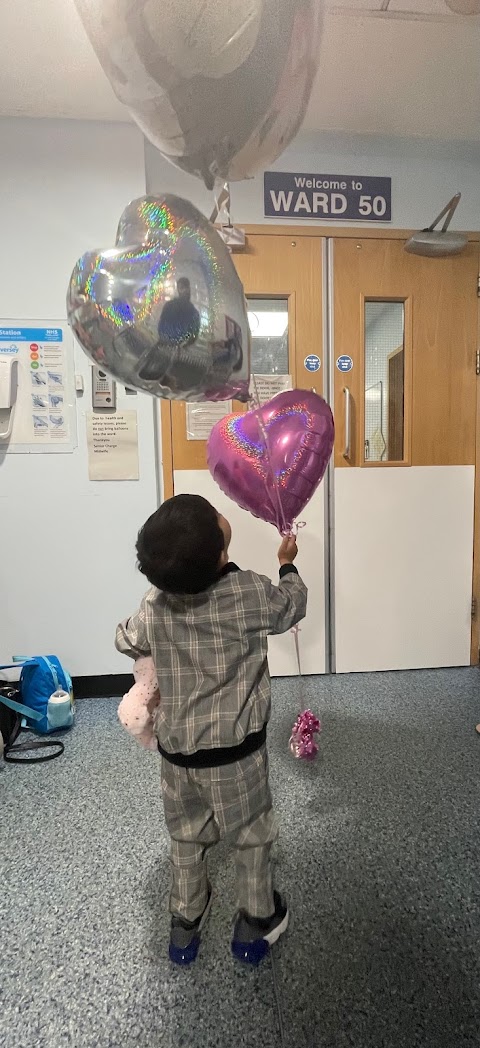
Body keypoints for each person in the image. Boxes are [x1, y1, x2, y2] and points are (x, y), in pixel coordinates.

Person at [115, 494, 307, 967]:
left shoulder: (155, 603)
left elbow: (126, 639)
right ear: (221, 545)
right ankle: (258, 919)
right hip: (237, 754)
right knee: (252, 834)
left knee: (186, 834)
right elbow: (291, 608)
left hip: (177, 755)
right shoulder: (247, 592)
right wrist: (287, 566)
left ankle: (185, 923)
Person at [138, 277, 200, 383]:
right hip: (169, 346)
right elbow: (193, 336)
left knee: (150, 372)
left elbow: (193, 335)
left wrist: (175, 343)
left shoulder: (185, 310)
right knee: (153, 372)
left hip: (165, 345)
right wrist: (182, 344)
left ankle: (147, 378)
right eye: (182, 288)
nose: (183, 290)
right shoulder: (190, 311)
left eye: (183, 288)